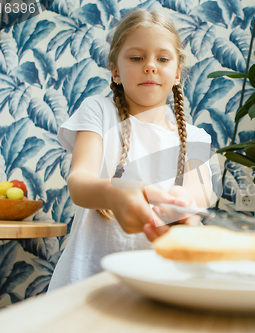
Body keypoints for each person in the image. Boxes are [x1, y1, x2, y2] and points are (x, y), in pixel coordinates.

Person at [48, 9, 213, 290]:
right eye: (137, 58)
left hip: (157, 289)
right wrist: (113, 194)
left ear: (177, 74)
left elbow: (201, 194)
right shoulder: (97, 111)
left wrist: (182, 204)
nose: (150, 66)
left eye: (162, 59)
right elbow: (79, 181)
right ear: (116, 71)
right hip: (84, 285)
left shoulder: (196, 138)